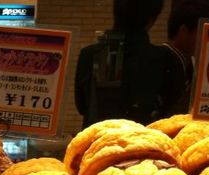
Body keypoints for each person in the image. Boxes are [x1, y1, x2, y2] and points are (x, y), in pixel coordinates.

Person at [74, 0, 184, 128]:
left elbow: (82, 106)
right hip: (145, 143)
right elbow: (171, 114)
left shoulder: (89, 54)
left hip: (95, 142)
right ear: (151, 19)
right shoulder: (166, 58)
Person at [162, 0, 209, 114]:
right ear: (184, 31)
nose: (206, 39)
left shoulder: (188, 61)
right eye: (203, 32)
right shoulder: (165, 59)